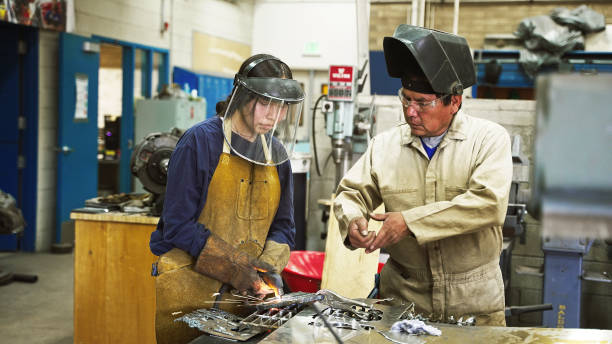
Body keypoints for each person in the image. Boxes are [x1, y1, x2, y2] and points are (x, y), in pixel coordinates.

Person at [333, 25, 512, 326]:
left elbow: (489, 204)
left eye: (422, 103)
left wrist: (410, 222)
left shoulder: (488, 140)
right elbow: (350, 194)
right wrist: (352, 221)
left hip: (474, 303)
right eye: (406, 99)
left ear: (454, 102)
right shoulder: (385, 146)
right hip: (403, 302)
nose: (410, 112)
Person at [149, 54, 304, 344]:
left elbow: (284, 227)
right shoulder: (199, 142)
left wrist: (264, 272)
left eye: (283, 106)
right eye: (267, 103)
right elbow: (178, 225)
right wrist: (237, 268)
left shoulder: (276, 155)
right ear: (243, 97)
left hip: (248, 298)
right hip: (191, 293)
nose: (276, 115)